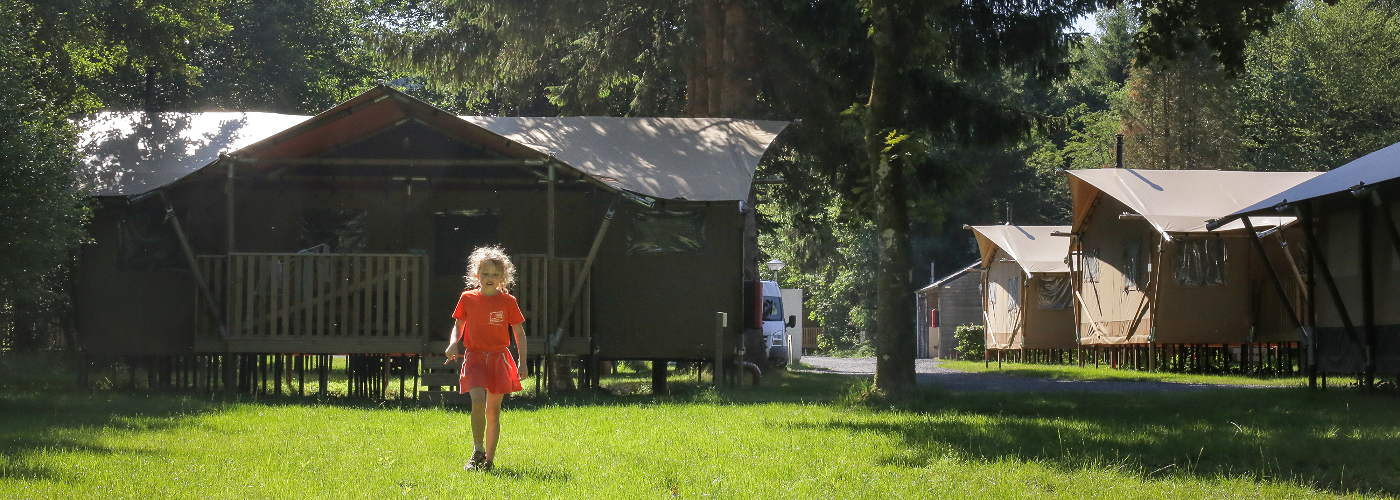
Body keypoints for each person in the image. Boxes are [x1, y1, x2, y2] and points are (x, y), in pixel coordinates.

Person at [444, 246, 529, 472]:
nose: (489, 278)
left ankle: (489, 461)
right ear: (476, 274)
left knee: (493, 411)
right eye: (485, 273)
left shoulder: (508, 302)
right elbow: (459, 324)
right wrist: (454, 343)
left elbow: (519, 333)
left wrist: (523, 362)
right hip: (474, 357)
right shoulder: (467, 298)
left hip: (499, 359)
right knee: (477, 402)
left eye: (495, 274)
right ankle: (478, 450)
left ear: (503, 277)